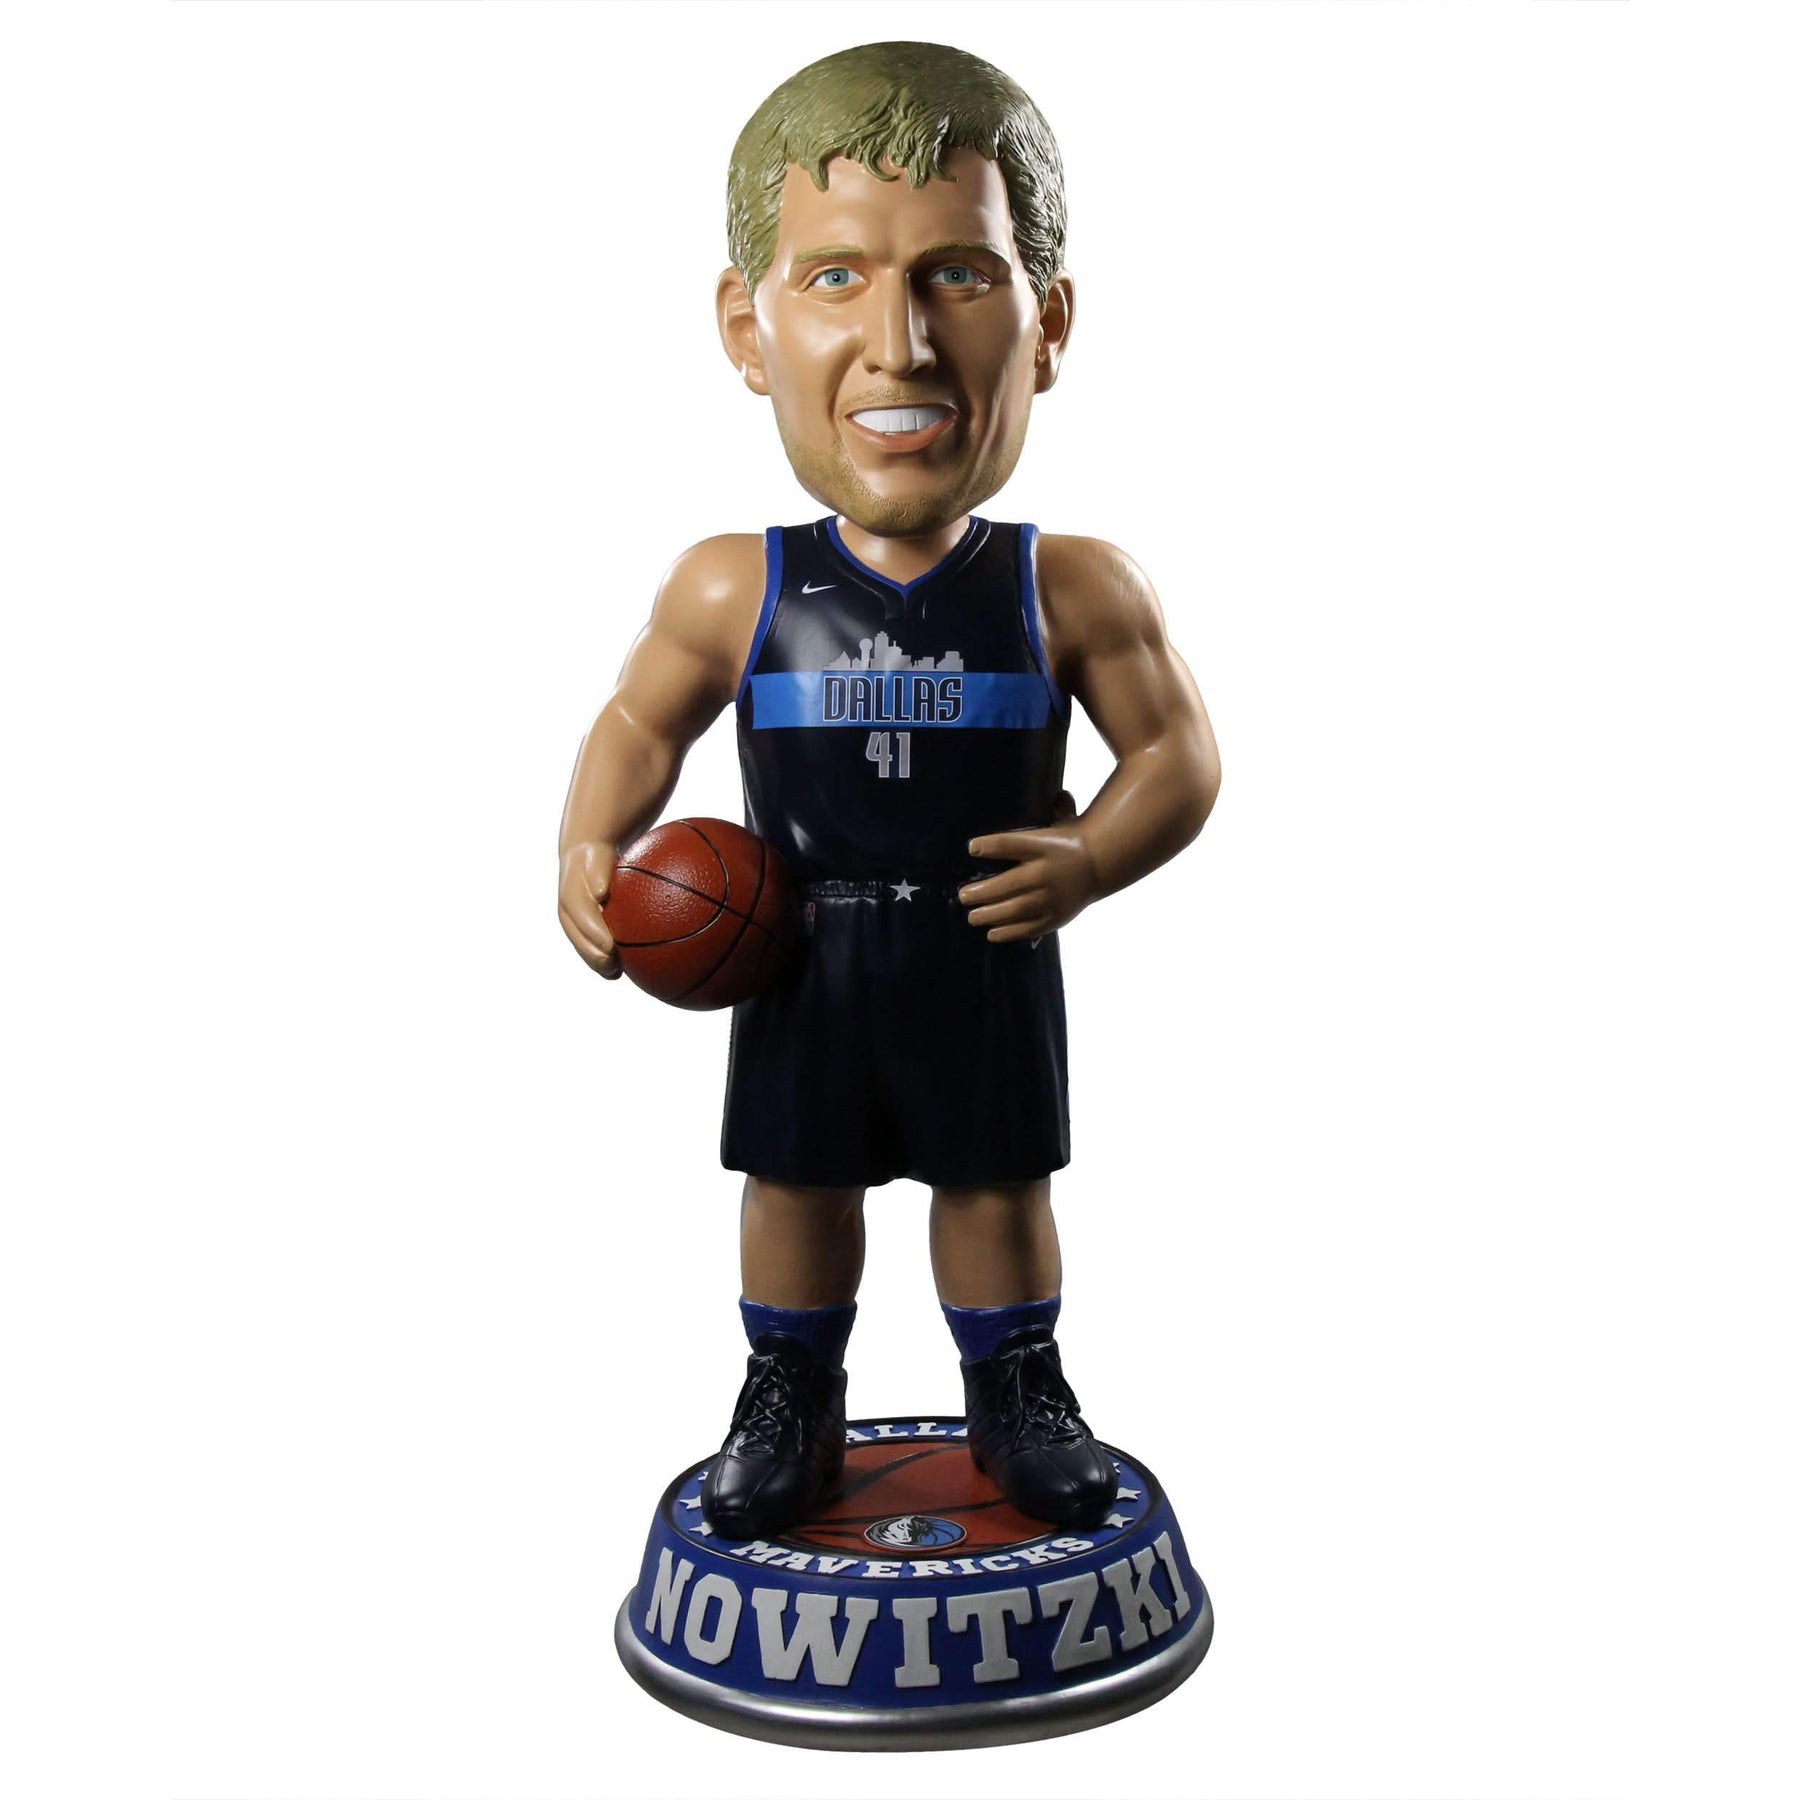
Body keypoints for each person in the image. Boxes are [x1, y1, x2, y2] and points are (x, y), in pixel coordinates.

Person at [558, 42, 1220, 1540]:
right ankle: (787, 1393)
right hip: (799, 950)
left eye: (959, 277)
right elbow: (636, 724)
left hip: (983, 938)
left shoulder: (1069, 585)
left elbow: (1180, 756)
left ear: (1048, 326)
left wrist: (1091, 856)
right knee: (798, 1187)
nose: (901, 346)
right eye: (837, 277)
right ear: (750, 330)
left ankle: (1019, 1389)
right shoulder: (736, 584)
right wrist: (592, 839)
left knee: (996, 1185)